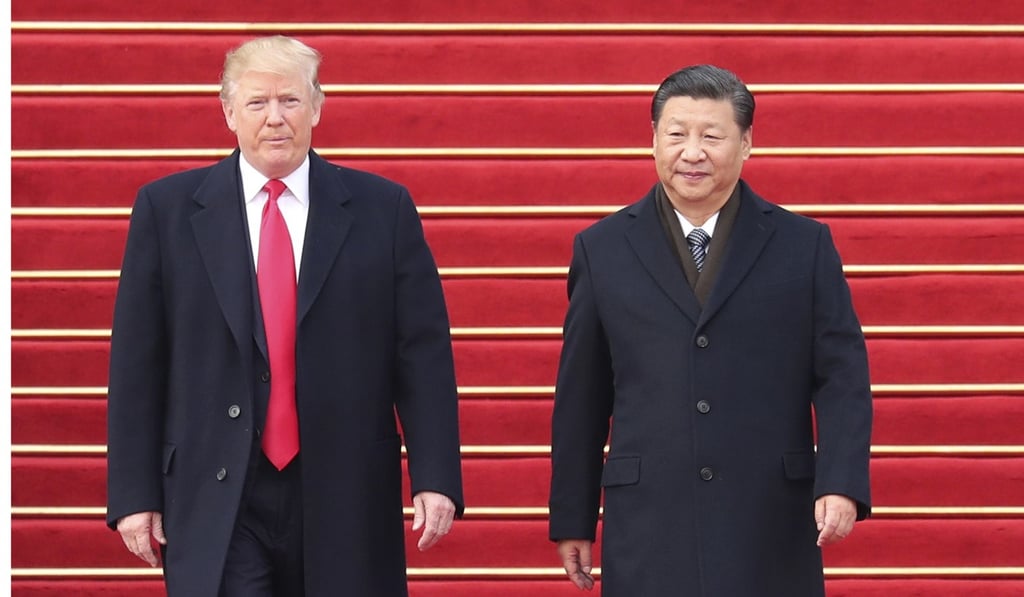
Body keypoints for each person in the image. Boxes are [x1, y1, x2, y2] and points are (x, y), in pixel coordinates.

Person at [106, 35, 464, 597]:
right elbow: (136, 364)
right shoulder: (167, 210)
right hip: (215, 484)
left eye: (290, 101)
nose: (276, 119)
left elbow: (420, 352)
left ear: (317, 106)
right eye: (257, 103)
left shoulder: (382, 209)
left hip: (342, 483)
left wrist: (436, 475)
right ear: (228, 112)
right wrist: (134, 494)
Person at [548, 64, 873, 596]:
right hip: (650, 516)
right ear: (652, 139)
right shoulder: (601, 249)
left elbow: (842, 375)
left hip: (769, 513)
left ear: (746, 145)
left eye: (711, 136)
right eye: (676, 134)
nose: (691, 152)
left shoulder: (803, 245)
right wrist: (573, 517)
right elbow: (582, 396)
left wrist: (840, 483)